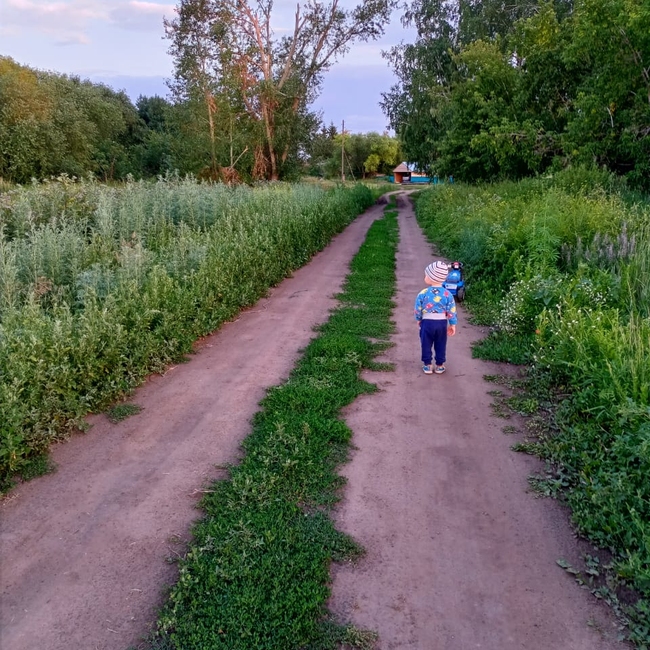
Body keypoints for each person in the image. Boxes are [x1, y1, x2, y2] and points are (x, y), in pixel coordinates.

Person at [414, 261, 458, 374]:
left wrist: (419, 319)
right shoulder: (448, 294)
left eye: (426, 275)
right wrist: (452, 324)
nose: (425, 277)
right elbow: (451, 310)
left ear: (431, 277)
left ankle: (428, 365)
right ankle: (439, 365)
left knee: (426, 343)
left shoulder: (423, 293)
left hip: (427, 323)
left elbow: (418, 308)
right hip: (441, 323)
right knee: (441, 343)